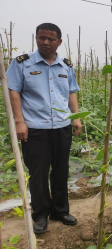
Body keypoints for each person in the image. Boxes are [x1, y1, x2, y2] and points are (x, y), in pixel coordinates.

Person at [7, 23, 82, 234]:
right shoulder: (22, 63)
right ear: (36, 38)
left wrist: (75, 117)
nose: (45, 42)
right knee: (38, 172)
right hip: (35, 128)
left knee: (61, 169)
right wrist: (19, 122)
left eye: (50, 39)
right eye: (41, 38)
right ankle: (40, 213)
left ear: (59, 42)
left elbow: (72, 92)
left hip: (61, 125)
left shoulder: (66, 66)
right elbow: (14, 92)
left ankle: (60, 210)